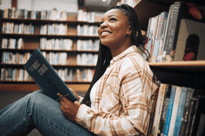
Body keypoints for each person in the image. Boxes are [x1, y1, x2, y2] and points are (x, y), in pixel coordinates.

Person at [0, 4, 158, 136]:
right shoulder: (116, 63)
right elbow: (107, 109)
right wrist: (79, 102)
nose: (102, 25)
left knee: (33, 103)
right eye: (101, 22)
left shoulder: (133, 65)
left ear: (129, 29)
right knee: (41, 95)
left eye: (112, 20)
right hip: (94, 129)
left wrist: (80, 114)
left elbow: (135, 129)